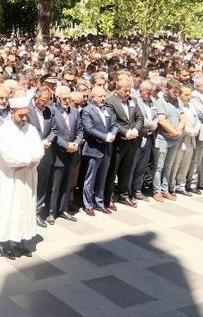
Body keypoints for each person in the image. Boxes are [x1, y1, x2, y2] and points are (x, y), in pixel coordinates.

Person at [0, 95, 42, 259]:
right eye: (20, 115)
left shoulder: (32, 129)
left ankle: (22, 240)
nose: (23, 118)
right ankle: (5, 243)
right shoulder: (3, 131)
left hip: (28, 176)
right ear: (11, 112)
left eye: (25, 115)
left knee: (26, 210)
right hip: (11, 179)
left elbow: (39, 149)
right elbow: (9, 156)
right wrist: (28, 159)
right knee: (10, 209)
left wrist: (33, 159)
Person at [80, 87, 118, 215]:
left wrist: (112, 134)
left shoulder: (107, 109)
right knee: (90, 179)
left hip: (107, 149)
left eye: (104, 96)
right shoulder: (87, 110)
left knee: (102, 178)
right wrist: (105, 137)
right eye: (100, 96)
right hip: (94, 149)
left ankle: (99, 202)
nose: (103, 98)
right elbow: (89, 129)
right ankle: (88, 204)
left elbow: (114, 125)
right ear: (93, 97)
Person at [105, 77, 142, 207]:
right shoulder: (110, 102)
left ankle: (123, 195)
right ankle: (108, 197)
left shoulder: (133, 100)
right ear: (117, 89)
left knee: (126, 170)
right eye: (124, 91)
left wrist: (135, 131)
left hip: (132, 141)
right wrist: (125, 132)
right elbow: (113, 121)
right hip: (118, 142)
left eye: (129, 90)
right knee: (112, 171)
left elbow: (139, 118)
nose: (127, 93)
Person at [48, 86, 83, 222]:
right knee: (55, 185)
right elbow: (53, 131)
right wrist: (65, 145)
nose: (67, 101)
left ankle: (63, 209)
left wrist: (76, 143)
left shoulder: (74, 111)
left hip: (72, 152)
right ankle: (51, 211)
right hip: (58, 153)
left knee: (67, 183)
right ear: (57, 98)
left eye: (69, 98)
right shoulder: (52, 110)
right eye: (64, 98)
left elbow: (80, 130)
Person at [153, 80, 185, 202]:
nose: (176, 94)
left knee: (168, 166)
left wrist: (179, 130)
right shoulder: (161, 102)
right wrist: (174, 131)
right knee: (159, 166)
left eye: (178, 91)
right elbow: (161, 120)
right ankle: (157, 191)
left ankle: (165, 190)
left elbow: (183, 117)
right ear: (167, 90)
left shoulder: (178, 102)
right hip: (162, 139)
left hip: (174, 139)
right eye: (174, 91)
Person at [28, 87, 56, 226]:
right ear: (35, 97)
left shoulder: (49, 110)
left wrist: (48, 140)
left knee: (42, 184)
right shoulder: (27, 110)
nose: (44, 104)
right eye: (42, 101)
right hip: (31, 153)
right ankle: (27, 212)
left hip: (46, 152)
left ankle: (37, 212)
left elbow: (54, 129)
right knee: (30, 185)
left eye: (47, 101)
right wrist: (39, 142)